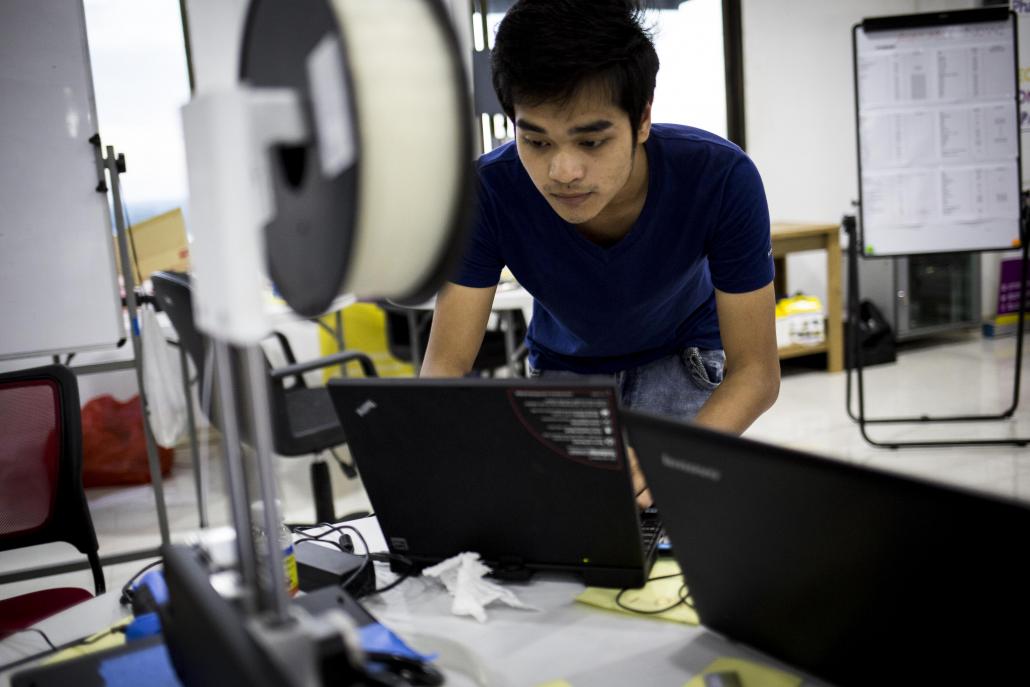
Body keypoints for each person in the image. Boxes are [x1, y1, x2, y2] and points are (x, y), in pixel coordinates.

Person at [421, 0, 779, 503]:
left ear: (642, 119)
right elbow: (444, 367)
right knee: (565, 537)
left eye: (591, 142)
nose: (563, 171)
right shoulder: (489, 191)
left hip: (685, 359)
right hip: (564, 372)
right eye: (537, 142)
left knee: (677, 537)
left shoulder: (720, 177)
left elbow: (757, 372)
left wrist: (678, 456)